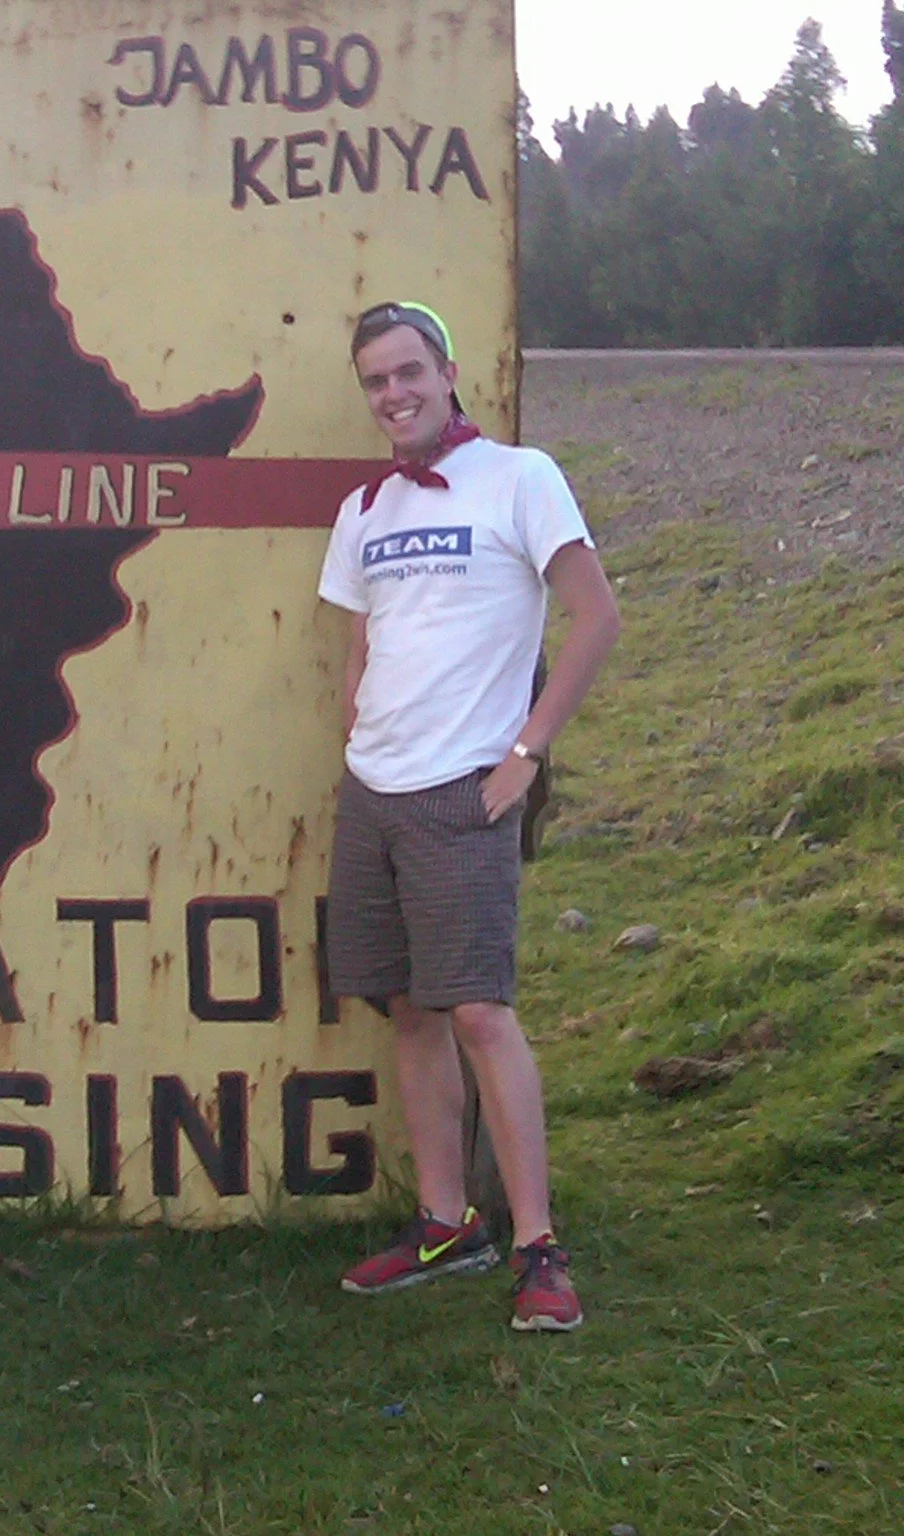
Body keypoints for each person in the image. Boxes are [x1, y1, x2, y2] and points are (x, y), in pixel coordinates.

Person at [317, 303, 620, 1332]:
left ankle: (536, 1245)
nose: (392, 393)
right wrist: (355, 739)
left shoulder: (518, 478)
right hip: (374, 792)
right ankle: (444, 1224)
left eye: (406, 371)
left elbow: (595, 616)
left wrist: (524, 754)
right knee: (406, 1008)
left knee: (480, 1013)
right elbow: (363, 643)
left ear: (447, 373)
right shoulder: (362, 509)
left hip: (465, 791)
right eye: (373, 380)